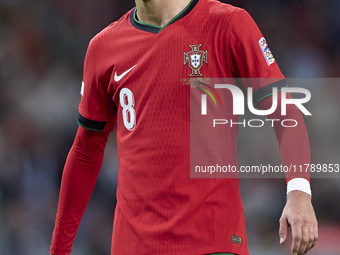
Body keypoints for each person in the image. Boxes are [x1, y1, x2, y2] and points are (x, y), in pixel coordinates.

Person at [50, 0, 318, 254]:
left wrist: (299, 192)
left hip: (213, 242)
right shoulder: (104, 46)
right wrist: (59, 249)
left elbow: (286, 111)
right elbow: (86, 151)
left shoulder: (228, 23)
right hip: (132, 246)